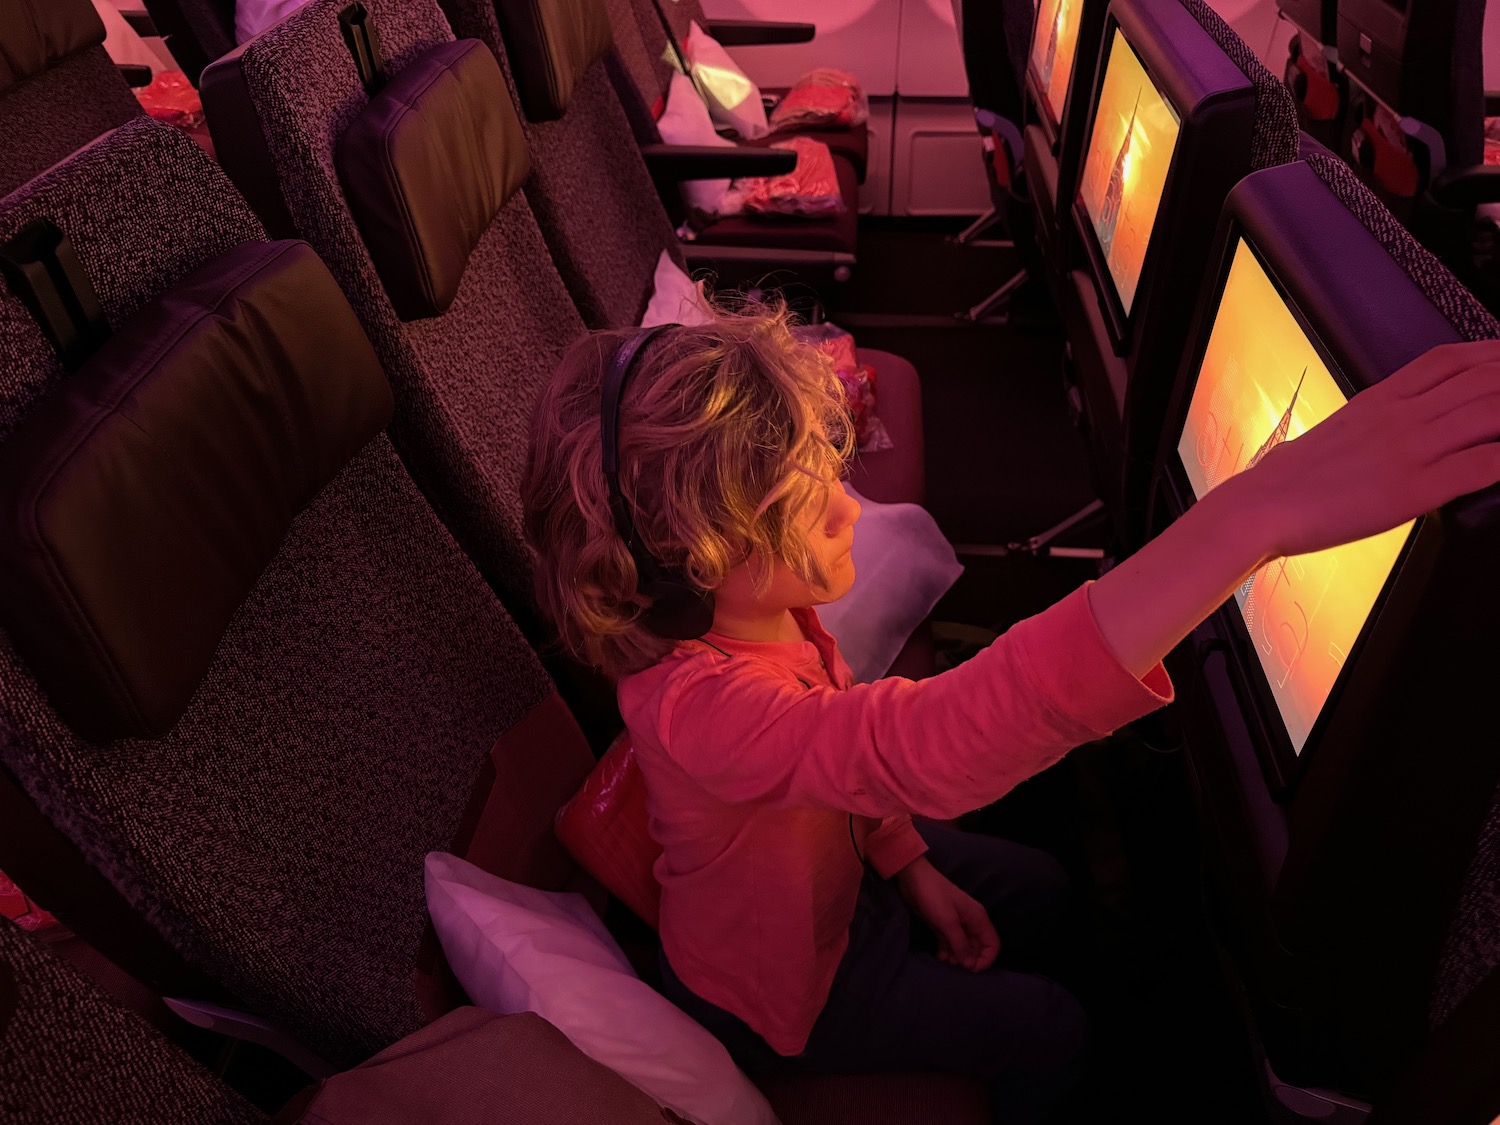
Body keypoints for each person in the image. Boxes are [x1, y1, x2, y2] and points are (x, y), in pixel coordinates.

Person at [521, 303, 1500, 1122]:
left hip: (843, 876)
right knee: (1053, 1035)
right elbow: (909, 746)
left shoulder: (766, 613)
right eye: (810, 512)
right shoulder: (699, 708)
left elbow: (845, 763)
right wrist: (1250, 517)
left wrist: (907, 868)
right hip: (790, 985)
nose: (853, 513)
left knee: (1038, 888)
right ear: (698, 574)